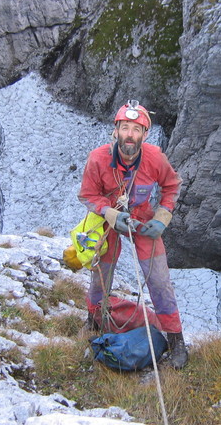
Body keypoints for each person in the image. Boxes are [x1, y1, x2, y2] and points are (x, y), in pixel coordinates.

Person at [78, 99, 188, 369]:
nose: (130, 134)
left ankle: (176, 342)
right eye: (125, 127)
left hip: (143, 220)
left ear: (145, 135)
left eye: (137, 129)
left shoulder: (154, 158)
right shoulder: (98, 158)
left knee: (160, 281)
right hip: (109, 220)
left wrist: (162, 217)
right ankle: (94, 318)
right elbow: (88, 195)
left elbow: (171, 186)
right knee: (100, 275)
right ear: (116, 131)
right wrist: (110, 213)